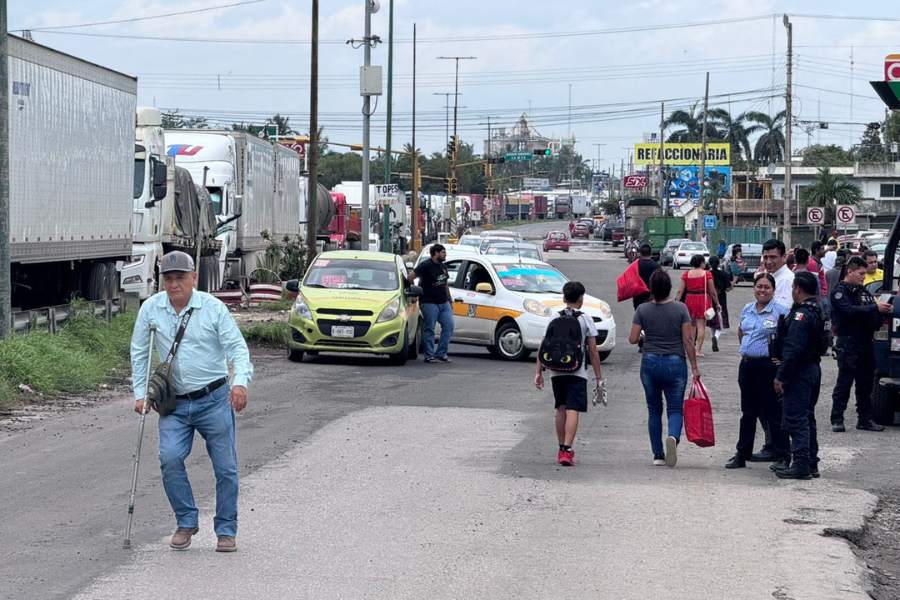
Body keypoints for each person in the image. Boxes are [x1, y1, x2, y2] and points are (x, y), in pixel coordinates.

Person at [130, 251, 253, 552]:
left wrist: (239, 383)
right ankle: (186, 521)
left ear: (194, 278)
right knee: (170, 459)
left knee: (225, 468)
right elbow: (140, 352)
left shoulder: (213, 309)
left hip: (214, 399)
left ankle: (226, 530)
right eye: (168, 279)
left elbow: (237, 348)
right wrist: (140, 393)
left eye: (180, 278)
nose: (174, 284)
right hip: (173, 403)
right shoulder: (151, 309)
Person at [630, 270, 701, 467]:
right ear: (669, 287)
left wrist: (647, 334)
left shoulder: (642, 309)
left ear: (651, 289)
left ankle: (658, 455)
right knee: (675, 408)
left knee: (654, 409)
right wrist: (694, 367)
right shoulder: (681, 309)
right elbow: (688, 340)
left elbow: (633, 339)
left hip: (650, 362)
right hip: (675, 363)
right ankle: (673, 437)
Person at [534, 281, 603, 467]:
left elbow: (544, 345)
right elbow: (593, 351)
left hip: (556, 370)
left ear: (564, 298)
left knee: (560, 407)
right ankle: (567, 449)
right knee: (573, 408)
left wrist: (538, 371)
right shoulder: (585, 319)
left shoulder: (554, 317)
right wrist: (598, 377)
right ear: (581, 299)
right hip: (577, 370)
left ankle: (560, 448)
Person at [725, 273, 790, 469]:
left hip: (768, 367)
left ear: (773, 290)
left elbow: (787, 339)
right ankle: (742, 454)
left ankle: (782, 455)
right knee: (748, 412)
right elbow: (742, 331)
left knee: (773, 412)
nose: (762, 290)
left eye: (766, 287)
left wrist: (780, 363)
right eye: (759, 286)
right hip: (748, 366)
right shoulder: (747, 309)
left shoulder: (781, 312)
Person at [772, 272, 826, 479]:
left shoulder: (801, 315)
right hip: (812, 368)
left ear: (798, 289)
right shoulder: (818, 310)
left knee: (796, 418)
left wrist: (781, 376)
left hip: (800, 371)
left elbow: (793, 348)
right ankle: (811, 462)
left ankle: (801, 464)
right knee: (807, 416)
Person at [829, 256, 893, 432]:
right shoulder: (840, 291)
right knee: (844, 383)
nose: (864, 277)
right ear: (849, 272)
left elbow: (872, 314)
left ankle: (865, 419)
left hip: (865, 341)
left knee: (865, 384)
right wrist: (874, 308)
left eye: (865, 274)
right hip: (848, 342)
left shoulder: (863, 292)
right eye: (861, 273)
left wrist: (882, 312)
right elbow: (849, 311)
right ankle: (837, 419)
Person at [411, 243, 454, 363]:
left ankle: (441, 353)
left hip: (443, 302)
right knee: (429, 328)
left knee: (449, 326)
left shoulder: (443, 266)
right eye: (443, 252)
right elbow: (410, 277)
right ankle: (429, 355)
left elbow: (445, 284)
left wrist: (449, 300)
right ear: (436, 253)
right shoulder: (425, 265)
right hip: (429, 302)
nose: (445, 254)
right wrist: (413, 292)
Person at [676, 254, 720, 358]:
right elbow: (712, 291)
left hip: (689, 299)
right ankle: (697, 350)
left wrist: (677, 302)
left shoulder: (686, 274)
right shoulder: (707, 274)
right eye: (704, 262)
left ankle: (690, 348)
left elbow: (680, 290)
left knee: (691, 326)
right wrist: (717, 303)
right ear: (701, 263)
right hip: (702, 300)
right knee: (701, 327)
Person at [706, 256, 733, 352]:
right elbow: (728, 288)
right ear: (718, 263)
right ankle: (716, 337)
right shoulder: (723, 273)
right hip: (721, 299)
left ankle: (712, 336)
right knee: (721, 322)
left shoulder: (707, 274)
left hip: (710, 300)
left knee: (712, 320)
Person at [762, 239, 794, 310]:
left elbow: (781, 311)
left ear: (784, 257)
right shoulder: (773, 276)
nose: (768, 262)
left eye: (773, 257)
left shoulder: (785, 280)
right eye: (765, 257)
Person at [632, 243, 659, 310]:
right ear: (651, 253)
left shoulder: (635, 265)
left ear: (640, 253)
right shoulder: (656, 266)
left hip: (638, 298)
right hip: (653, 298)